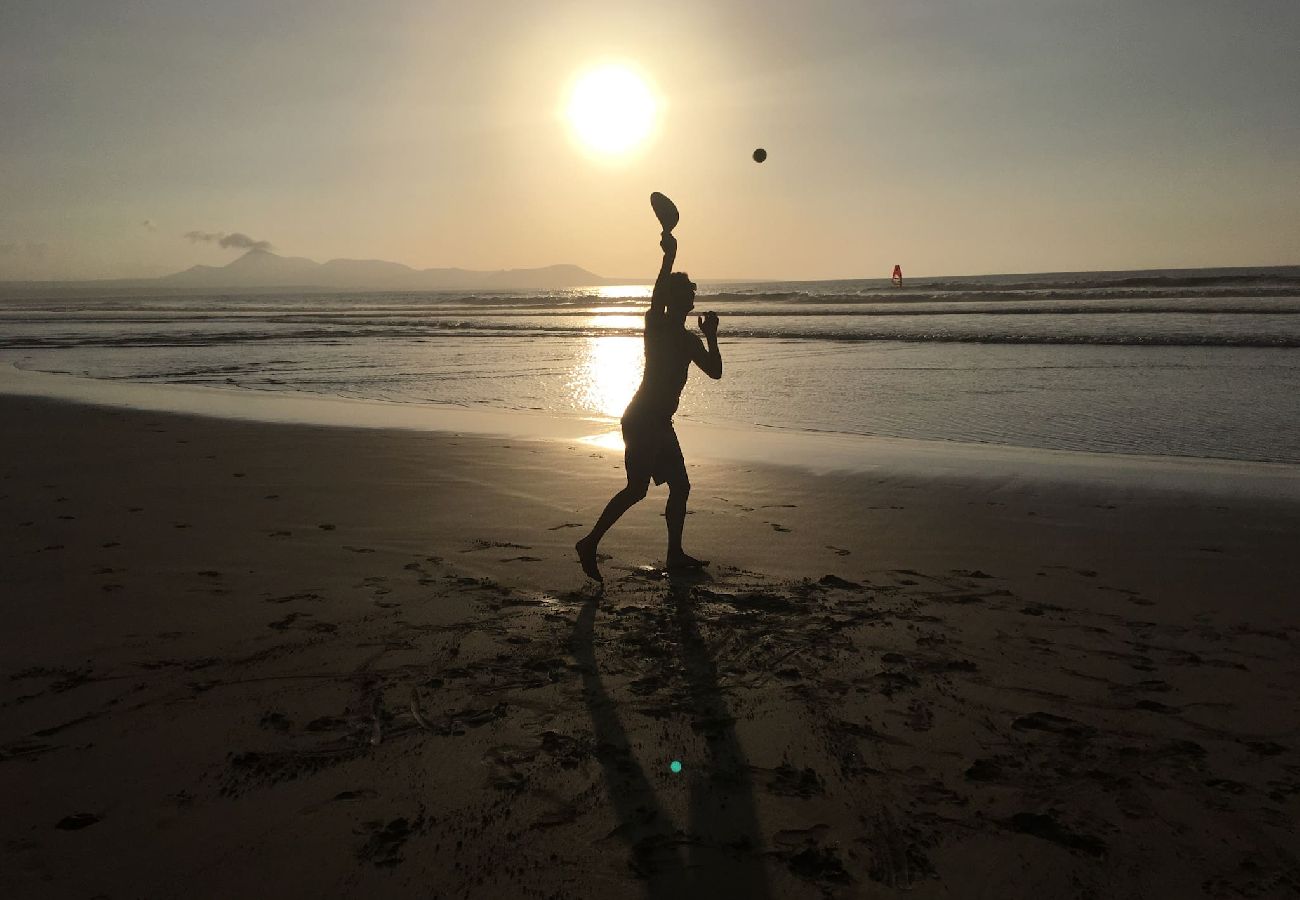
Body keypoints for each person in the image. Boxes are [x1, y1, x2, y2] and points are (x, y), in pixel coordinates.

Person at [576, 228, 722, 582]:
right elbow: (657, 293)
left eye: (693, 291)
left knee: (679, 487)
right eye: (688, 290)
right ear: (674, 298)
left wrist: (712, 337)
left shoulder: (688, 340)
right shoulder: (656, 324)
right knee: (637, 489)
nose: (693, 294)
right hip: (643, 420)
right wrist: (669, 257)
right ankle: (590, 543)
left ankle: (673, 555)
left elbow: (715, 372)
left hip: (659, 423)